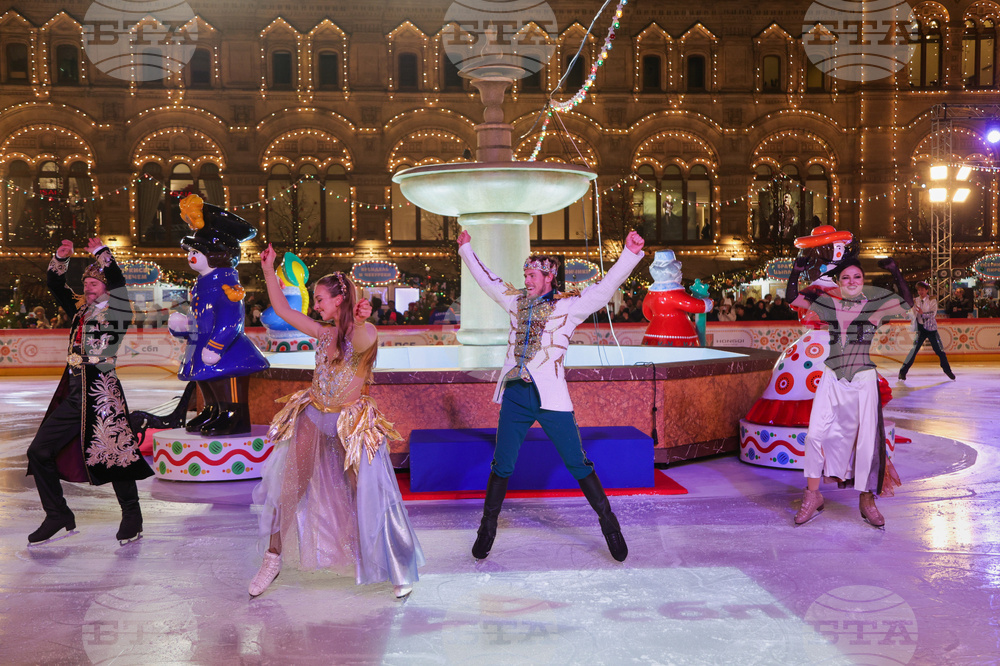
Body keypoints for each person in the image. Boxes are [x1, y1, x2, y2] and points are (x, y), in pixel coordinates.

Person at [457, 228, 645, 562]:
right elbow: (488, 281)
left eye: (531, 275)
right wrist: (467, 250)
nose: (526, 280)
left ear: (548, 276)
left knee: (577, 462)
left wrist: (629, 254)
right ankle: (487, 529)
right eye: (525, 274)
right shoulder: (515, 300)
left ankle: (610, 525)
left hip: (551, 398)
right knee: (502, 464)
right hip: (516, 394)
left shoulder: (570, 307)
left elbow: (605, 289)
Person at [249, 244, 424, 600]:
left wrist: (358, 321)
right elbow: (282, 308)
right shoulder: (322, 333)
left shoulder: (367, 332)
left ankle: (395, 567)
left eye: (320, 299)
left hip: (352, 423)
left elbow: (359, 341)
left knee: (367, 493)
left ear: (339, 299)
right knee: (288, 489)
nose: (315, 305)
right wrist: (268, 270)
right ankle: (272, 558)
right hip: (313, 417)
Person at [26, 238, 153, 544]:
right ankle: (58, 514)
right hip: (73, 392)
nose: (89, 287)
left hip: (102, 393)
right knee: (39, 451)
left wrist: (101, 254)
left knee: (115, 455)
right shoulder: (81, 310)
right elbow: (56, 284)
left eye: (95, 283)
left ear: (107, 287)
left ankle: (132, 515)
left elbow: (120, 281)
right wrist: (60, 257)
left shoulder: (119, 310)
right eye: (86, 283)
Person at [786, 257, 911, 528]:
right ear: (839, 283)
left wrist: (895, 271)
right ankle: (812, 495)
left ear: (863, 281)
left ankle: (867, 500)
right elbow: (793, 298)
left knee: (866, 442)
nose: (852, 281)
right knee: (814, 436)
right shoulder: (829, 305)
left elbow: (907, 303)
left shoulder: (874, 307)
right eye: (845, 278)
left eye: (857, 277)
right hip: (832, 377)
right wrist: (796, 272)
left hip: (863, 380)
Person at [898, 281, 955, 382]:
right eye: (919, 290)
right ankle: (902, 372)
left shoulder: (932, 300)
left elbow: (933, 313)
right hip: (920, 329)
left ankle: (947, 370)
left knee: (940, 351)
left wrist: (922, 313)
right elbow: (912, 312)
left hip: (931, 329)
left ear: (927, 290)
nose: (920, 292)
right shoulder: (915, 300)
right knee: (913, 351)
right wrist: (906, 314)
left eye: (922, 290)